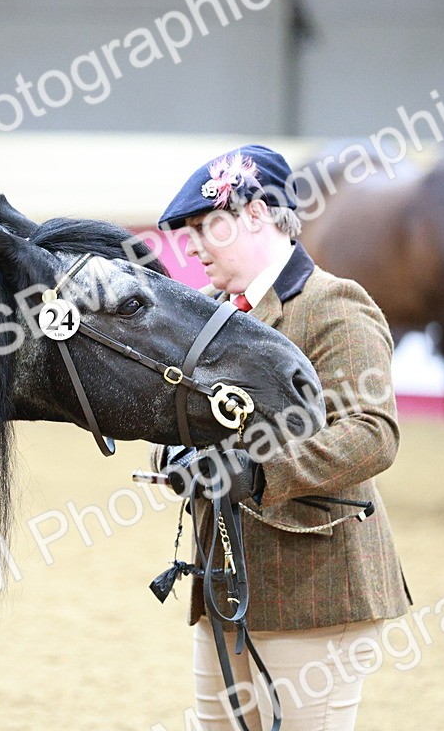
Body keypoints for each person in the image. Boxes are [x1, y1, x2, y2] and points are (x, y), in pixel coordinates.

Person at [152, 145, 410, 731]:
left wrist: (259, 471)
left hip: (315, 583)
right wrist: (174, 452)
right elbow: (178, 415)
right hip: (224, 579)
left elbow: (372, 433)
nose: (189, 246)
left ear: (257, 214)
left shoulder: (333, 304)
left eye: (201, 227)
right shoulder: (211, 314)